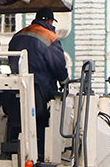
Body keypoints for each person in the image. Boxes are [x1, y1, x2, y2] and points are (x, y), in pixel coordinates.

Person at [7, 9, 69, 158]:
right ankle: (40, 153)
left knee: (17, 119)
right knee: (41, 120)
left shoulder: (18, 35)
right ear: (49, 21)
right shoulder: (49, 36)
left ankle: (12, 149)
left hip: (16, 86)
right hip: (39, 87)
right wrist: (64, 81)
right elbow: (57, 64)